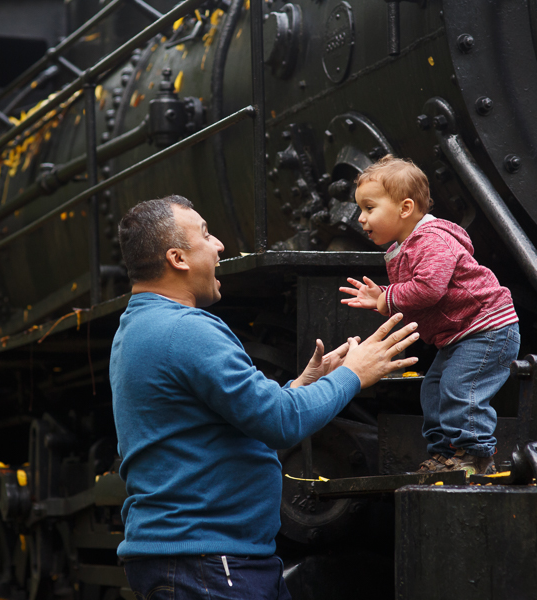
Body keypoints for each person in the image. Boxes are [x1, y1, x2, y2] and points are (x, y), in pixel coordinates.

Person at [110, 195, 420, 600]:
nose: (219, 245)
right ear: (177, 258)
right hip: (209, 561)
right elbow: (279, 422)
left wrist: (302, 386)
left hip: (204, 557)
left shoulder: (140, 325)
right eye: (205, 235)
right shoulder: (187, 330)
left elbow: (227, 419)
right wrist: (353, 375)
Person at [340, 155, 521, 475]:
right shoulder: (407, 244)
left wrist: (387, 298)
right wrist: (382, 295)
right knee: (433, 389)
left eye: (369, 208)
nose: (360, 219)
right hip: (460, 335)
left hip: (486, 328)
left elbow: (429, 288)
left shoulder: (432, 238)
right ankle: (445, 453)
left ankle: (476, 455)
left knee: (459, 388)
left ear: (405, 208)